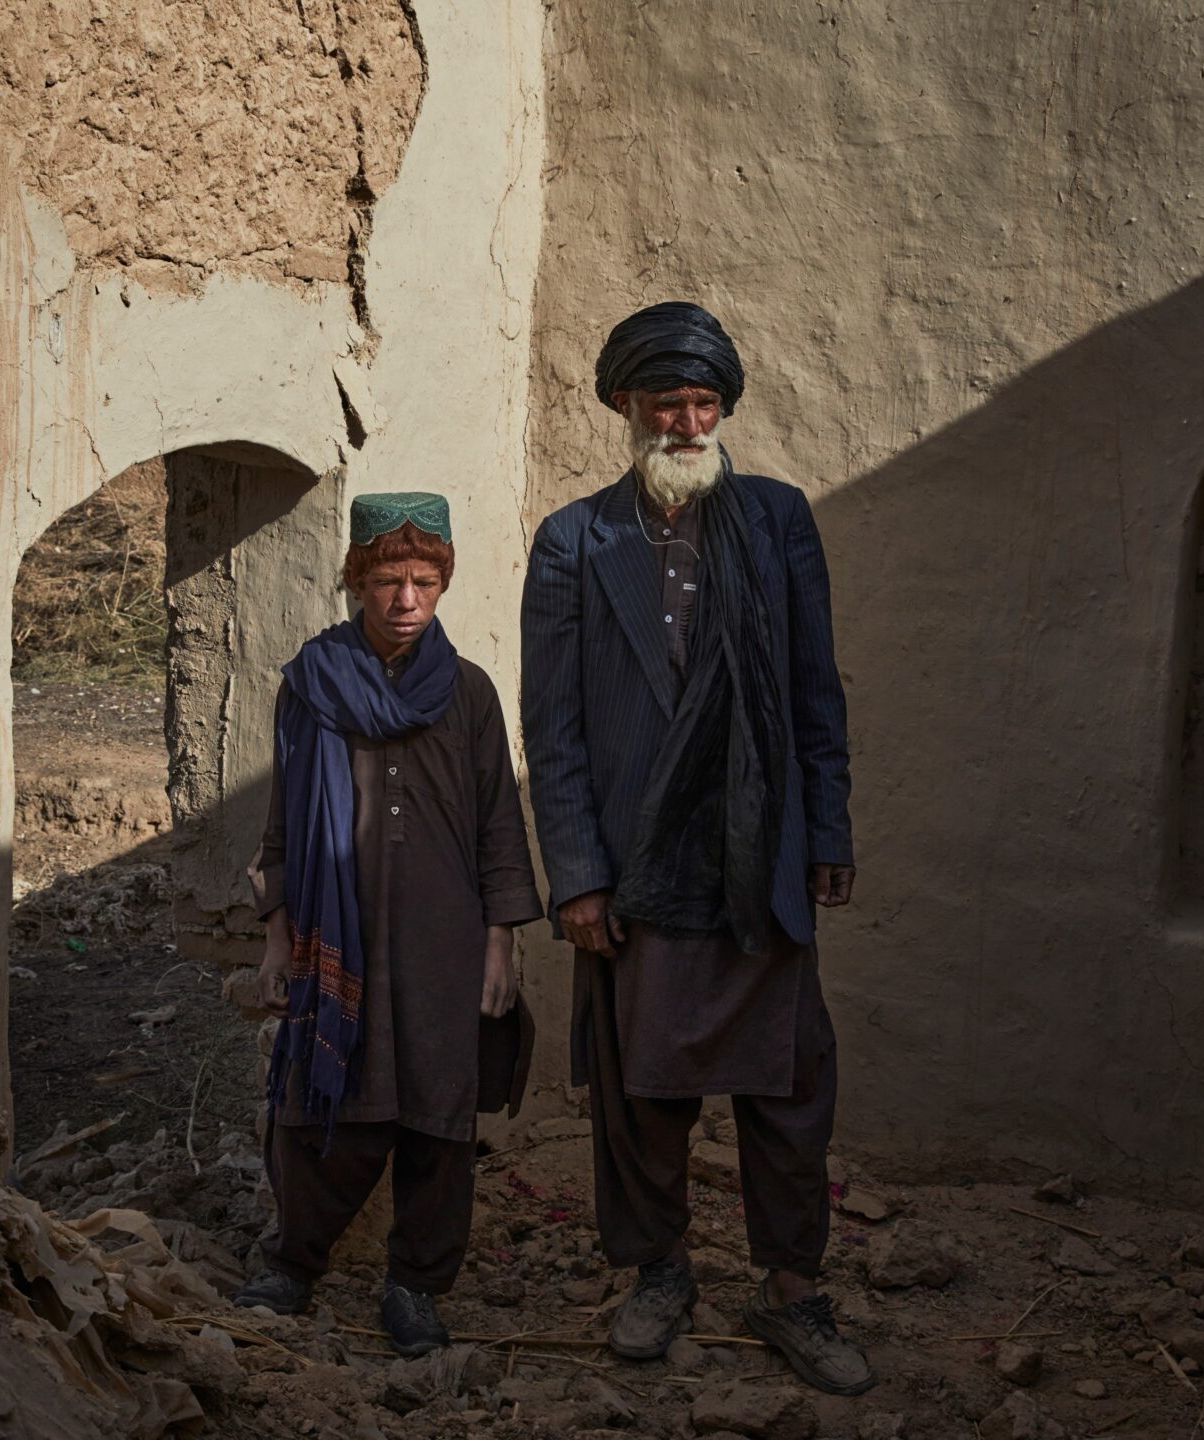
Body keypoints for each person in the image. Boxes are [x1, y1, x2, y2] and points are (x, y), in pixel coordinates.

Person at [519, 301, 870, 1394]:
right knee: (643, 1090)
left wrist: (826, 828)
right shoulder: (576, 539)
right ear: (626, 406)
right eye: (665, 400)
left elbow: (816, 688)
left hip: (757, 854)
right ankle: (659, 1273)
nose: (685, 418)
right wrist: (574, 873)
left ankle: (792, 1292)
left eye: (703, 400)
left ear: (723, 408)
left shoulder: (776, 521)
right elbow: (556, 723)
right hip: (636, 867)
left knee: (786, 1087)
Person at [234, 492, 544, 1358]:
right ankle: (293, 1264)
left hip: (446, 941)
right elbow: (286, 819)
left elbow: (497, 825)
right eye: (385, 580)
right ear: (356, 584)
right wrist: (275, 936)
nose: (405, 599)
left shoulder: (471, 694)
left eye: (422, 580)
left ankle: (415, 1286)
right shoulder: (312, 683)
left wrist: (501, 940)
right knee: (319, 1106)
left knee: (438, 1116)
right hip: (341, 939)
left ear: (442, 584)